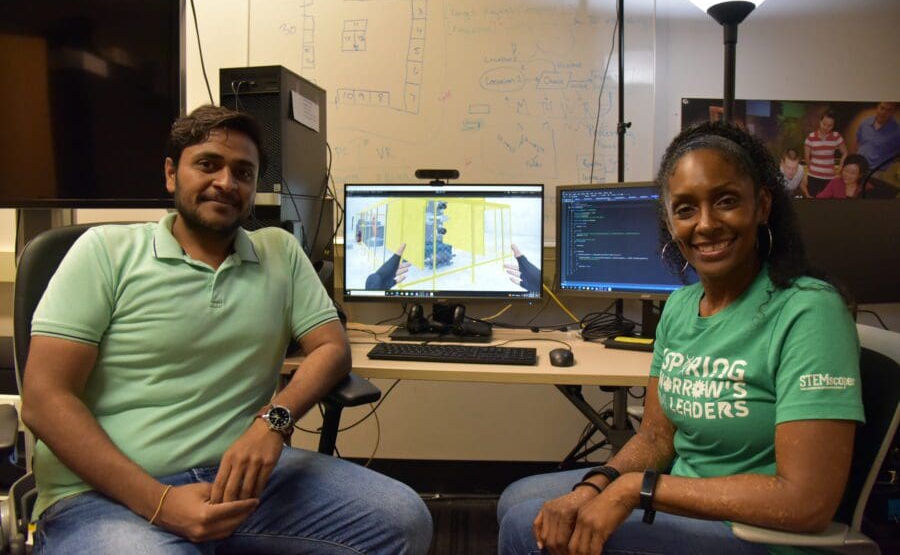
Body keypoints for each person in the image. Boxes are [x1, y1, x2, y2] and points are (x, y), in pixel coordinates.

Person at [21, 105, 432, 554]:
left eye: (243, 172)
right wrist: (161, 503)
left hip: (245, 484)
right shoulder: (105, 251)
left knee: (403, 520)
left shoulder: (279, 252)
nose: (226, 182)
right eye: (208, 164)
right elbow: (45, 401)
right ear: (171, 174)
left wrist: (272, 423)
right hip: (105, 496)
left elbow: (332, 348)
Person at [498, 121, 864, 555]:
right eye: (686, 209)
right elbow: (656, 439)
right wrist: (595, 485)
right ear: (670, 222)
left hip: (755, 534)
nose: (705, 224)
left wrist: (636, 490)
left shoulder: (809, 310)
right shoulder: (681, 306)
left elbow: (806, 502)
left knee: (526, 528)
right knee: (518, 499)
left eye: (726, 201)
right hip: (683, 500)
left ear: (762, 205)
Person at [802, 109, 848, 198]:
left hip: (829, 178)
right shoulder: (811, 137)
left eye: (829, 125)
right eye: (824, 124)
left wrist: (840, 169)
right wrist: (811, 168)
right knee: (812, 202)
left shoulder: (836, 136)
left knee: (827, 204)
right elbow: (806, 156)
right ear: (820, 121)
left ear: (833, 125)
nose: (825, 127)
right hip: (813, 177)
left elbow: (845, 152)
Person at [855, 101, 900, 174]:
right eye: (882, 108)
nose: (883, 113)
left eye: (889, 110)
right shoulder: (865, 123)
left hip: (879, 173)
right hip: (860, 169)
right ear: (877, 107)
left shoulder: (897, 131)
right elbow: (858, 143)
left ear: (894, 112)